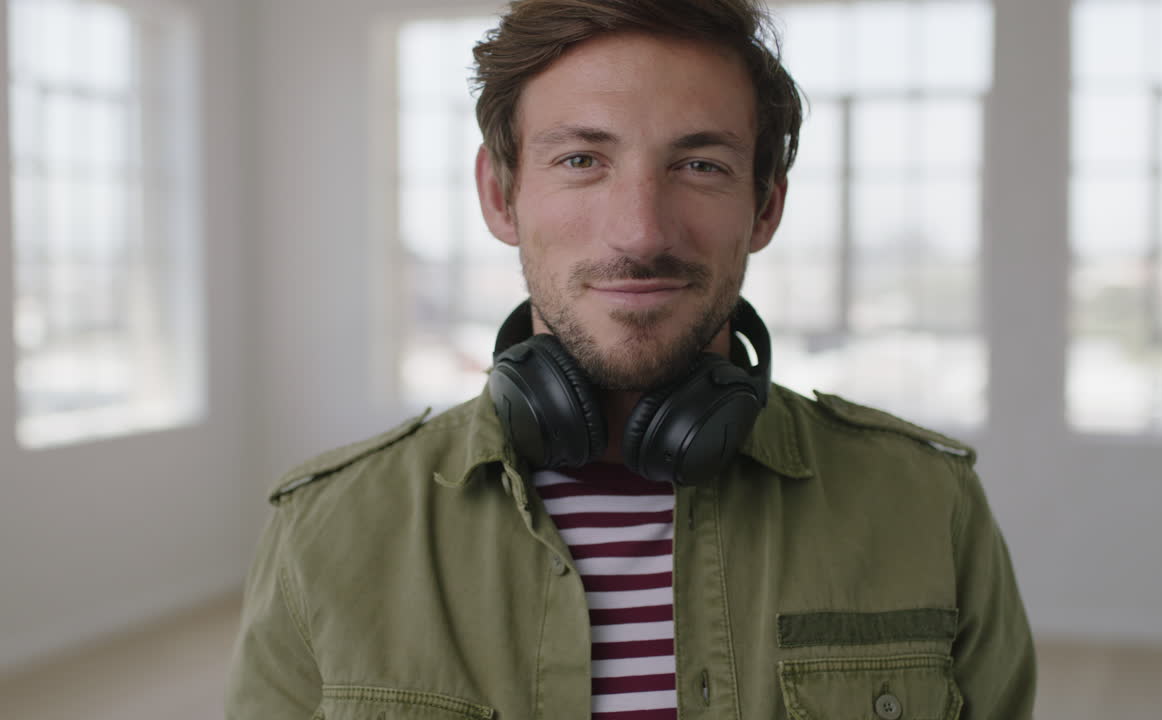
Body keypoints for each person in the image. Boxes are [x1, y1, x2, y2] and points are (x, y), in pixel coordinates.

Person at [225, 1, 1037, 718]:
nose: (641, 231)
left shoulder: (930, 507)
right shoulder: (326, 534)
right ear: (501, 196)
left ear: (765, 205)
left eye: (700, 165)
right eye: (582, 160)